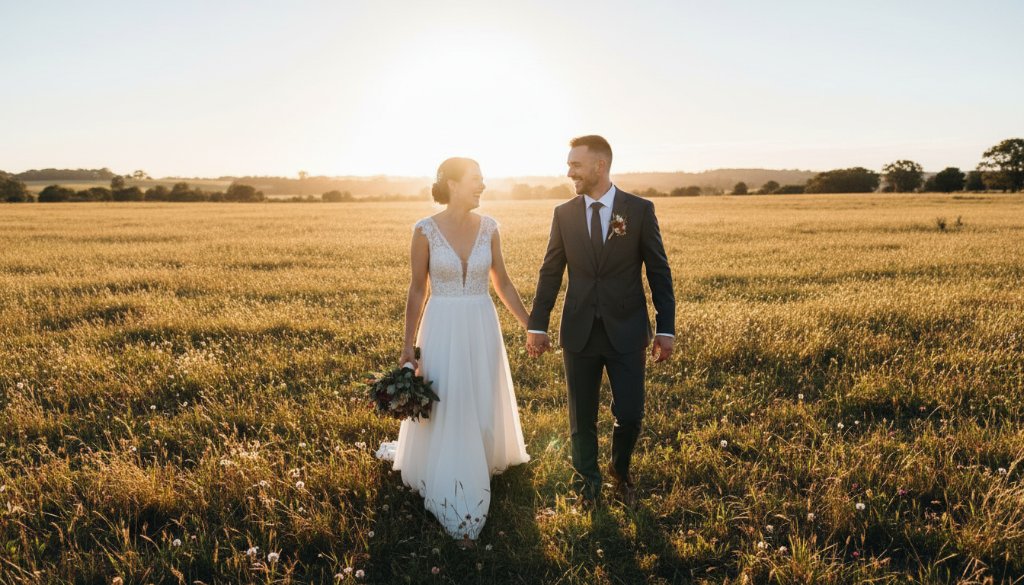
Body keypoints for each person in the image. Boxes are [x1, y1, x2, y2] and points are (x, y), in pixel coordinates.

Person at [376, 157, 531, 544]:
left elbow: (504, 284)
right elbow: (417, 290)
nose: (483, 185)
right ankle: (457, 493)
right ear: (453, 183)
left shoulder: (490, 228)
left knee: (477, 392)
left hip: (481, 324)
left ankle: (481, 454)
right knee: (450, 399)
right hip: (442, 324)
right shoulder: (424, 230)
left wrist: (532, 325)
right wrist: (408, 348)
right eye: (476, 179)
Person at [527, 135, 675, 507]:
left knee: (630, 413)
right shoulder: (563, 214)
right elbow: (550, 272)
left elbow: (659, 270)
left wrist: (666, 327)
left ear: (600, 166)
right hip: (579, 330)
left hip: (627, 330)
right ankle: (587, 486)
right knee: (581, 417)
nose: (569, 171)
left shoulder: (639, 210)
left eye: (575, 164)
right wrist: (537, 324)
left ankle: (619, 471)